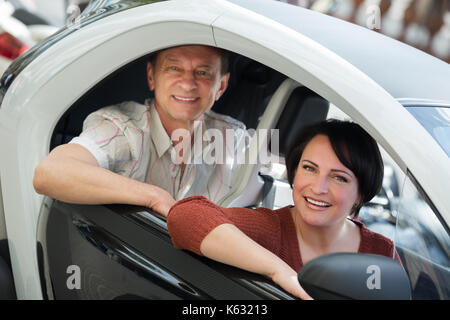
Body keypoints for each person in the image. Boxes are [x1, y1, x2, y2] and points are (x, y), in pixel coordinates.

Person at [167, 119, 403, 300]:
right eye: (309, 168)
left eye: (339, 178)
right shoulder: (269, 229)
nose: (318, 188)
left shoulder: (381, 252)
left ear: (361, 193)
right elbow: (186, 215)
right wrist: (280, 271)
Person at [33, 45, 247, 217]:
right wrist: (153, 197)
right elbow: (49, 173)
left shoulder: (233, 137)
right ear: (151, 76)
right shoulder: (122, 128)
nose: (188, 84)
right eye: (174, 68)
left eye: (202, 72)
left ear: (221, 86)